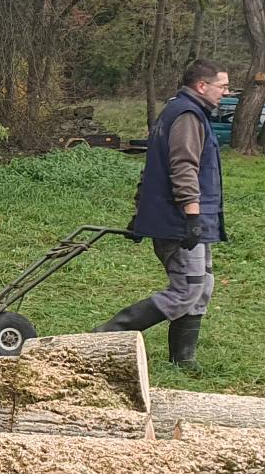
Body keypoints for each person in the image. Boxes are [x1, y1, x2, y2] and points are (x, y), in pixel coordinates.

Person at [96, 58, 230, 367]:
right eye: (223, 86)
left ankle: (183, 359)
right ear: (202, 86)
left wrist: (140, 209)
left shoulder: (182, 111)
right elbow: (183, 168)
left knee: (202, 287)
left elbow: (151, 168)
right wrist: (192, 216)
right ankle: (103, 336)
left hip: (189, 218)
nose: (226, 92)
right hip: (180, 220)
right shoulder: (187, 116)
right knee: (187, 289)